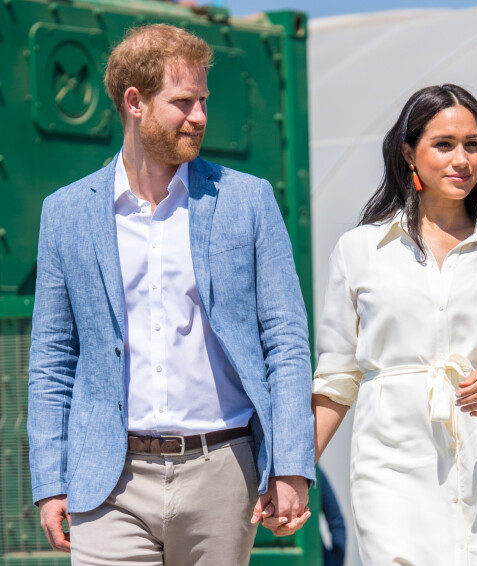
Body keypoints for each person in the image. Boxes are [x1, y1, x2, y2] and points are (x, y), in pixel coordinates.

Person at [27, 23, 314, 566]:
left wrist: (291, 464)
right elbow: (51, 360)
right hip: (108, 482)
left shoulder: (247, 201)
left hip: (224, 473)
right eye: (183, 102)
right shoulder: (66, 213)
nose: (200, 116)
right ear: (134, 102)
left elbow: (287, 341)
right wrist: (50, 480)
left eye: (203, 100)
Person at [311, 84, 477, 566]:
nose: (462, 159)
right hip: (393, 470)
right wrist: (295, 472)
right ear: (409, 153)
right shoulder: (360, 250)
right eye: (443, 145)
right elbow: (336, 377)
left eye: (472, 144)